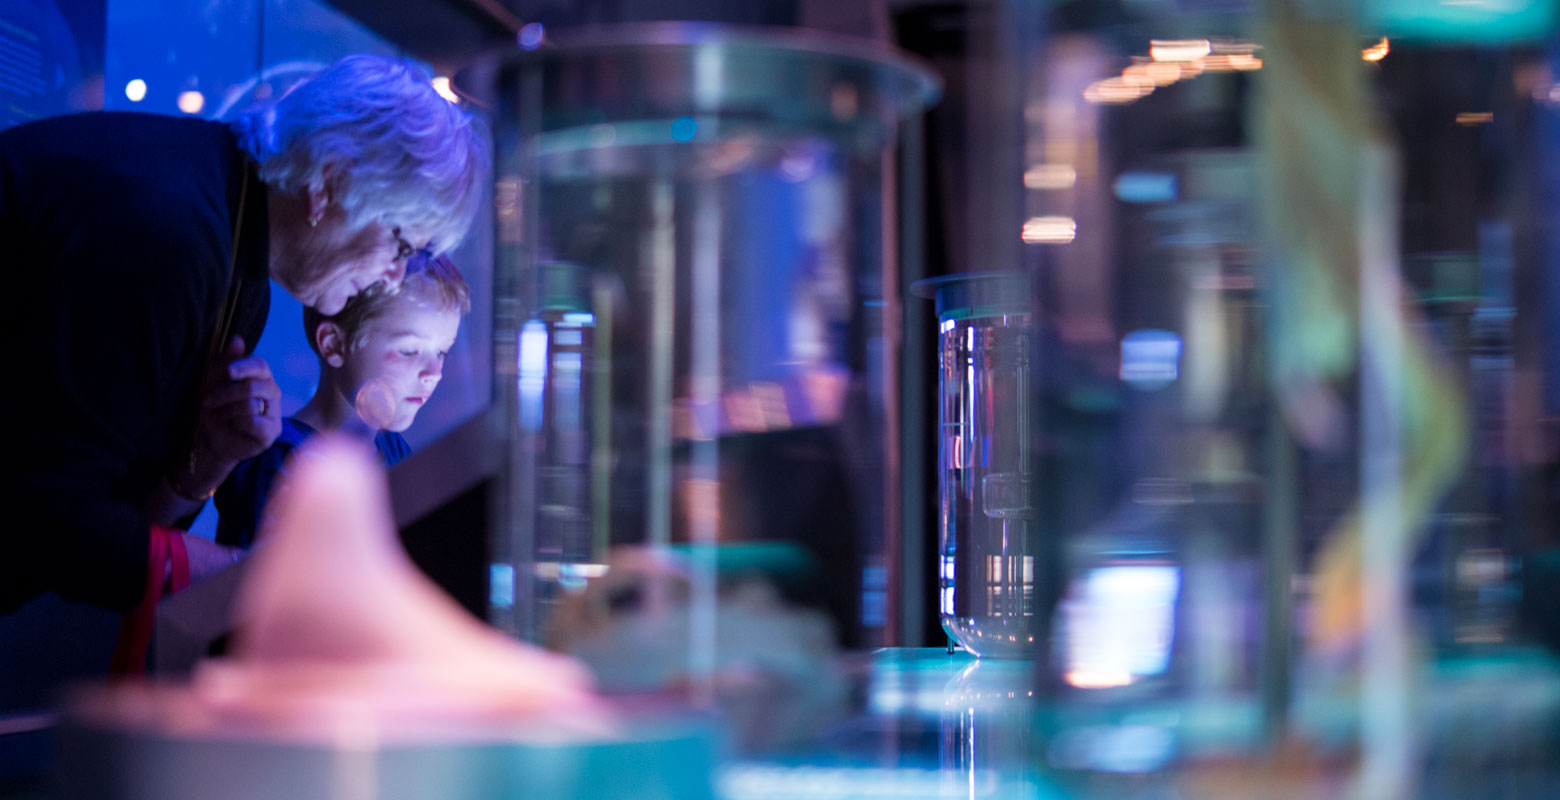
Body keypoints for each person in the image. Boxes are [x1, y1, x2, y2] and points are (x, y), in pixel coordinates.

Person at [0, 53, 487, 630]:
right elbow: (47, 521)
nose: (396, 277)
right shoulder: (169, 235)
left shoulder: (238, 260)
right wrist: (273, 581)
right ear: (329, 183)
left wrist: (200, 467)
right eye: (402, 245)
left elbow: (103, 523)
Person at [215, 252, 470, 549]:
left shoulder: (393, 449)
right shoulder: (281, 462)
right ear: (334, 344)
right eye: (409, 351)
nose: (434, 373)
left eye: (442, 352)